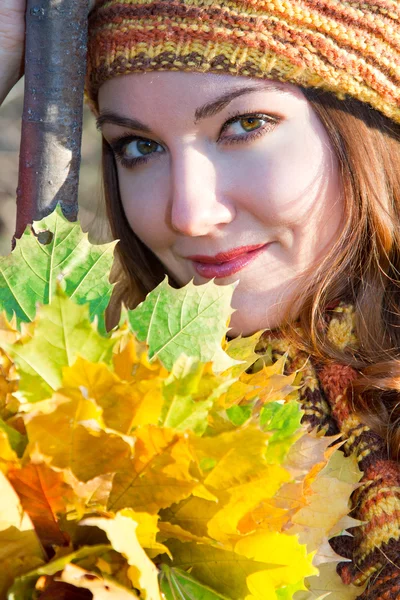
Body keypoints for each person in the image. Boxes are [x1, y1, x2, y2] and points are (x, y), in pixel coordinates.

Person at [1, 0, 400, 597]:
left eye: (244, 125)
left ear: (368, 121)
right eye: (139, 147)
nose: (188, 214)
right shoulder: (95, 414)